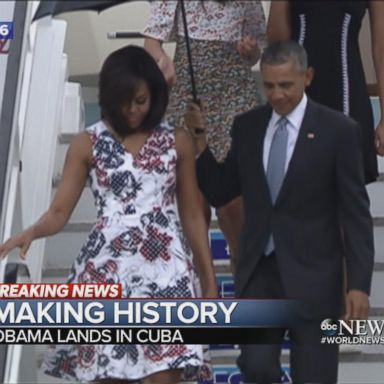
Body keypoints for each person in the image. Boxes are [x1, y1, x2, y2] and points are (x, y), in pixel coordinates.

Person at [0, 46, 217, 384]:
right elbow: (59, 212)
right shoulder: (87, 143)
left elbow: (192, 216)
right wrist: (31, 231)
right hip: (105, 272)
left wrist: (209, 281)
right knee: (106, 376)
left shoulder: (177, 141)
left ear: (155, 95)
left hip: (166, 274)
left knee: (164, 377)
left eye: (141, 101)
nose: (131, 110)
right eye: (123, 101)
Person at [187, 40, 374, 383]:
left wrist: (358, 286)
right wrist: (200, 142)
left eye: (285, 85)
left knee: (315, 376)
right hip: (260, 272)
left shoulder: (339, 131)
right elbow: (220, 189)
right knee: (257, 366)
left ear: (308, 77)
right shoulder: (247, 127)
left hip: (317, 278)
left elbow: (356, 216)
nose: (276, 95)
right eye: (269, 85)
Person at [143, 0, 267, 263]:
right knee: (194, 201)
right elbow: (152, 42)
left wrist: (250, 51)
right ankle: (202, 290)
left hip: (235, 96)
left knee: (234, 206)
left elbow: (259, 47)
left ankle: (244, 283)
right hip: (190, 97)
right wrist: (161, 60)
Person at [267, 0, 384, 184]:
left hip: (348, 95)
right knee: (297, 191)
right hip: (298, 97)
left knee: (348, 193)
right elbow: (277, 43)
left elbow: (381, 50)